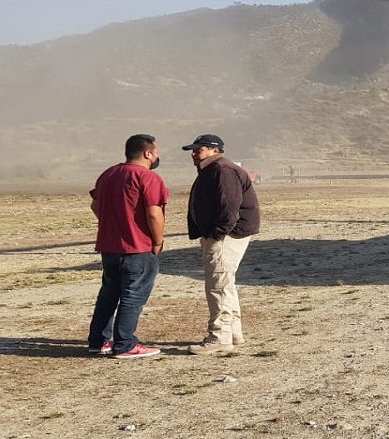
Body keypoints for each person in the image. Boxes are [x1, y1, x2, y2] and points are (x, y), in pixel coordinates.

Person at [87, 134, 167, 360]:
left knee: (108, 294)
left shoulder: (109, 174)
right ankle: (125, 344)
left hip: (109, 246)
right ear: (148, 153)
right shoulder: (148, 177)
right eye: (156, 152)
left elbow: (95, 204)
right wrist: (157, 241)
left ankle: (99, 341)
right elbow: (154, 212)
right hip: (137, 247)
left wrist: (112, 223)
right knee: (133, 295)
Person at [181, 134, 261, 355]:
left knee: (218, 285)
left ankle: (219, 337)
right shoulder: (216, 169)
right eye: (194, 150)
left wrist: (216, 234)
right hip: (227, 234)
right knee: (225, 283)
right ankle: (233, 332)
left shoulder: (222, 170)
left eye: (200, 149)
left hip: (227, 236)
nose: (194, 154)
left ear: (215, 150)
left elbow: (229, 207)